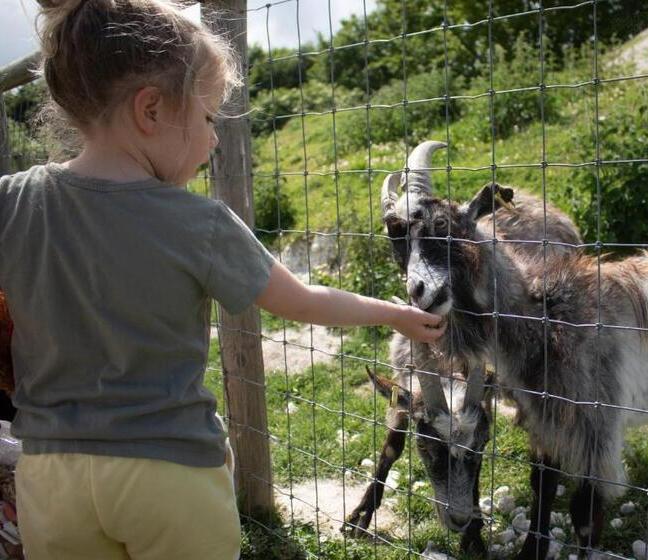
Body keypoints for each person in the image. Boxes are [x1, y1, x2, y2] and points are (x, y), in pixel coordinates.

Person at [0, 1, 444, 558]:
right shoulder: (199, 222)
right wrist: (395, 313)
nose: (213, 140)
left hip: (49, 478)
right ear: (151, 109)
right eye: (209, 118)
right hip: (168, 473)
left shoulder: (13, 200)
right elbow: (303, 301)